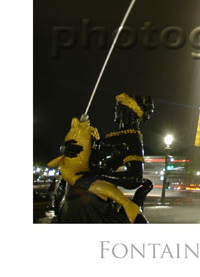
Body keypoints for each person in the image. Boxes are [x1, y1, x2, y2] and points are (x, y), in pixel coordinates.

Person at [51, 93, 155, 223]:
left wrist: (97, 176)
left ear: (128, 110)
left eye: (118, 107)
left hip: (92, 202)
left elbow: (134, 178)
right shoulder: (115, 136)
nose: (115, 110)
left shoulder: (132, 138)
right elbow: (83, 155)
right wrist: (65, 149)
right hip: (75, 195)